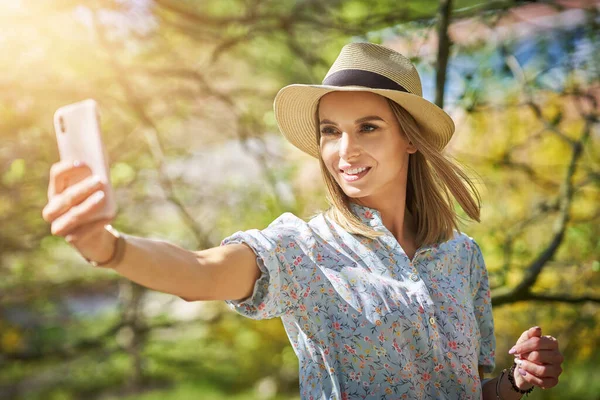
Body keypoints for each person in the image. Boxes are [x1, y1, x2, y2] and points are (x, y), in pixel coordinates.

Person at [43, 42, 563, 399]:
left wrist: (516, 381)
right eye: (330, 131)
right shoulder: (303, 249)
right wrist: (106, 246)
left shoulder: (461, 257)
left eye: (367, 127)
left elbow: (471, 390)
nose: (345, 149)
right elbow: (200, 273)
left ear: (409, 138)